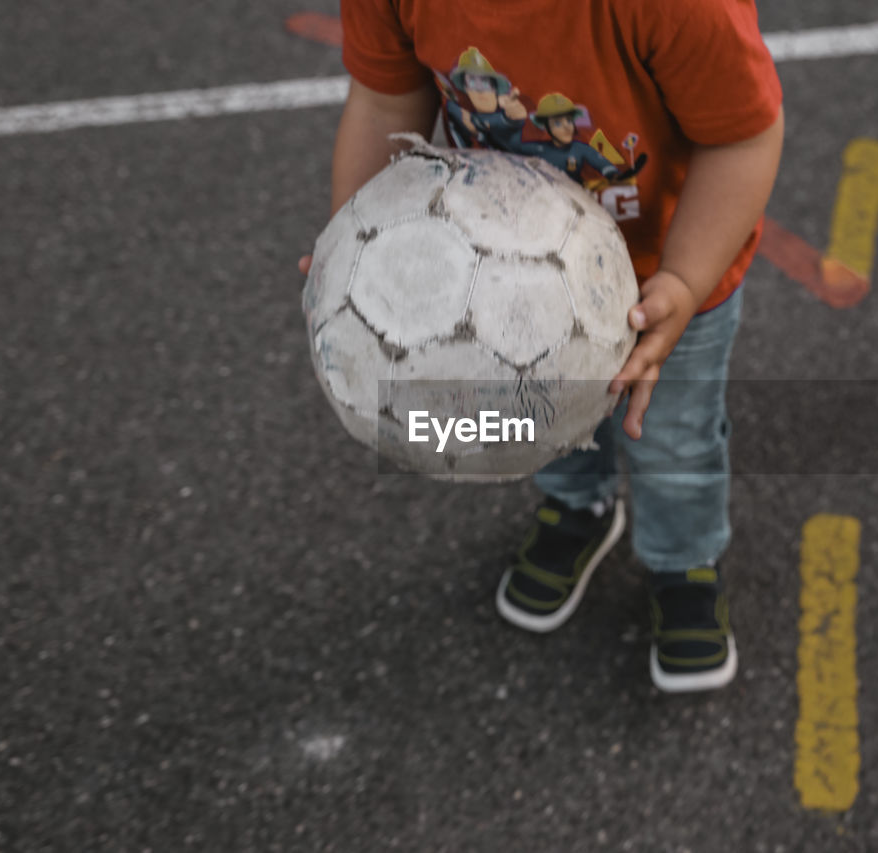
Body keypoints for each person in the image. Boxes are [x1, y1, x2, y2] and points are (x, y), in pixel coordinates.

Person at [302, 0, 784, 693]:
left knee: (673, 436)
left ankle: (684, 560)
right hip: (508, 284)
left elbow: (743, 137)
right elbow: (386, 100)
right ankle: (577, 503)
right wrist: (355, 248)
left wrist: (682, 280)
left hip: (667, 274)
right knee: (529, 406)